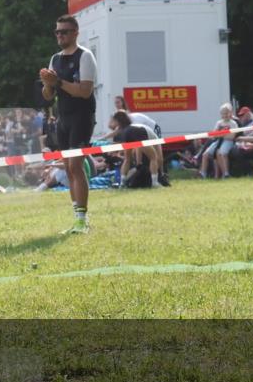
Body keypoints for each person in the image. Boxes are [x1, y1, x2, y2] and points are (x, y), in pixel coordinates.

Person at [39, 14, 97, 234]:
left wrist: (58, 82)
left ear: (75, 33)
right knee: (68, 168)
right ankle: (77, 218)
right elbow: (48, 95)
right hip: (62, 118)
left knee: (75, 166)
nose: (60, 35)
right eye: (57, 32)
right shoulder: (55, 59)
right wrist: (47, 84)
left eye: (64, 31)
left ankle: (82, 219)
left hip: (82, 116)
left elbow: (84, 91)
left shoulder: (85, 56)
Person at [111, 110, 162, 188]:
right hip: (141, 132)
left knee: (127, 159)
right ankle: (155, 183)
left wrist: (138, 163)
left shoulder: (124, 129)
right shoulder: (152, 135)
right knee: (153, 158)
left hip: (127, 134)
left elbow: (138, 147)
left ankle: (122, 183)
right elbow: (159, 158)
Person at [198, 103, 238, 179]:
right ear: (221, 114)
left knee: (222, 153)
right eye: (223, 113)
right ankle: (203, 173)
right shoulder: (219, 123)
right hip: (218, 141)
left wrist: (220, 134)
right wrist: (223, 134)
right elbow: (213, 135)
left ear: (230, 113)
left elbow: (232, 137)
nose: (225, 115)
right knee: (205, 154)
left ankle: (226, 173)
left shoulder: (233, 123)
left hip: (228, 142)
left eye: (227, 113)